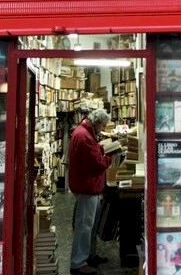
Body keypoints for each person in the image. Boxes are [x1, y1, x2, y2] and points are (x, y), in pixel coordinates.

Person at [68, 108, 117, 274]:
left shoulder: (84, 132)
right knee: (84, 226)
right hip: (86, 187)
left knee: (91, 225)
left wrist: (101, 149)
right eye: (102, 126)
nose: (102, 129)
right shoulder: (84, 137)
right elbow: (97, 164)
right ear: (97, 122)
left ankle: (89, 255)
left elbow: (91, 155)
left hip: (89, 186)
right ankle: (78, 263)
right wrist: (110, 157)